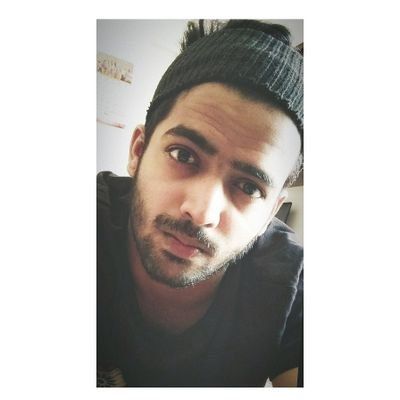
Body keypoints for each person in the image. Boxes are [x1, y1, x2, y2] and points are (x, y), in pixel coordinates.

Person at [97, 19, 303, 387]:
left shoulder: (291, 287)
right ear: (138, 151)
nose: (201, 212)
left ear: (271, 212)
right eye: (183, 154)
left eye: (249, 186)